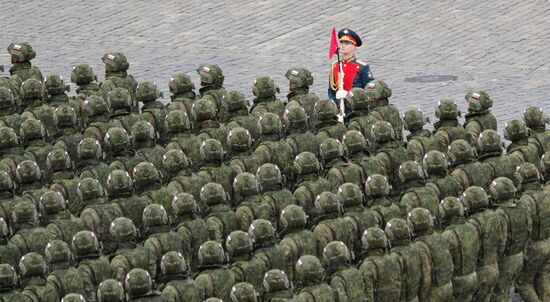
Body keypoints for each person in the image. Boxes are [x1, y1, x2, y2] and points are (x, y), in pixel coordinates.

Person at [328, 29, 374, 111]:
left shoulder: (362, 67)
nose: (342, 45)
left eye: (346, 43)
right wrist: (335, 104)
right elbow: (331, 90)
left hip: (355, 109)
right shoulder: (335, 66)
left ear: (353, 47)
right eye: (341, 43)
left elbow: (369, 90)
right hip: (339, 109)